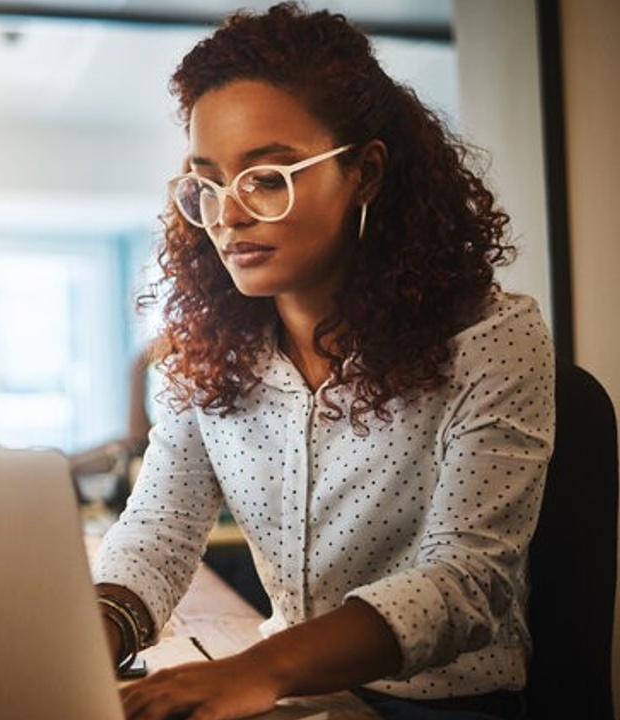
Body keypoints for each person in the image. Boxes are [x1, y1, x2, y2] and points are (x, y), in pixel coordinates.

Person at [89, 4, 555, 720]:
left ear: (364, 173)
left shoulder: (492, 337)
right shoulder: (216, 353)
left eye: (266, 179)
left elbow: (467, 580)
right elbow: (157, 531)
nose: (226, 216)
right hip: (303, 699)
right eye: (208, 185)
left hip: (448, 705)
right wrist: (97, 627)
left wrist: (265, 668)